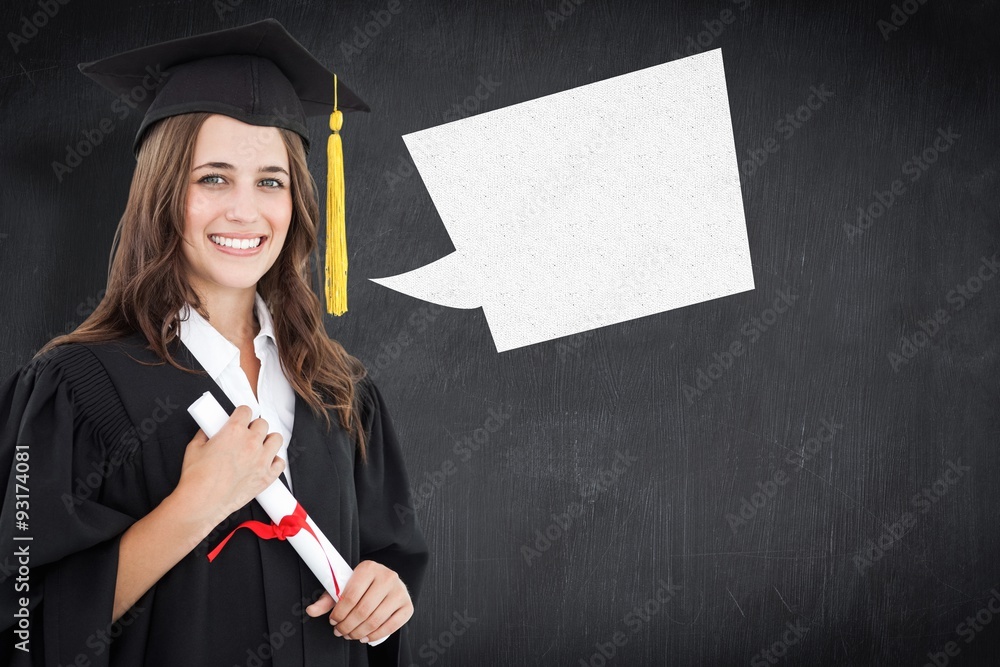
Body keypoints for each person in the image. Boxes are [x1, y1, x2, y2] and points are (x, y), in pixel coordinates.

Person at [0, 19, 428, 667]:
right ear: (164, 195)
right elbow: (23, 618)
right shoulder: (73, 387)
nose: (245, 211)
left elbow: (387, 558)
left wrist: (386, 592)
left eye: (271, 181)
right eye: (214, 178)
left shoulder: (340, 391)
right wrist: (195, 504)